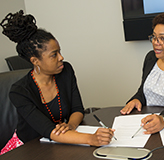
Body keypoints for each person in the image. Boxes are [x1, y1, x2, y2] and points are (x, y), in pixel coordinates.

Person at [0, 10, 114, 154]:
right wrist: (91, 139)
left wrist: (71, 126)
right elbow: (48, 130)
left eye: (59, 51)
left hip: (57, 142)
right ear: (35, 61)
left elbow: (77, 109)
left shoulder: (65, 71)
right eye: (54, 55)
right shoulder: (19, 91)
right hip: (28, 148)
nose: (61, 57)